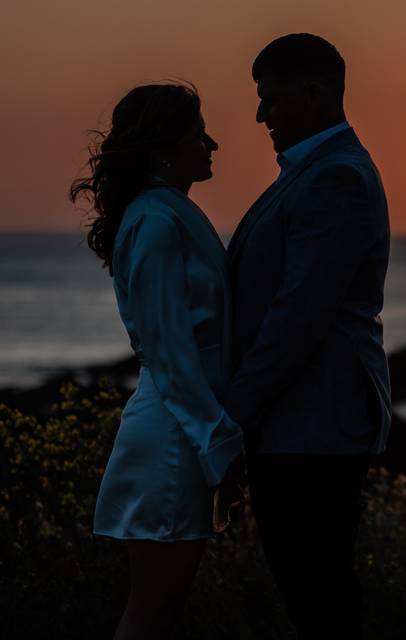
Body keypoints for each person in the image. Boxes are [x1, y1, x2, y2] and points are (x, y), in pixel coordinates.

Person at [225, 33, 392, 639]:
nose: (260, 115)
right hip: (300, 423)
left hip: (315, 425)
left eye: (270, 99)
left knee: (319, 598)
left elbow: (300, 315)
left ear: (315, 96)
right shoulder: (309, 173)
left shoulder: (335, 179)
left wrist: (232, 416)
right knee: (311, 595)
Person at [71, 83, 244, 640]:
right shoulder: (155, 221)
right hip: (174, 437)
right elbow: (171, 352)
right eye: (199, 134)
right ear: (164, 149)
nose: (212, 144)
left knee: (165, 614)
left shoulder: (170, 212)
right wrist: (220, 442)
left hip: (185, 430)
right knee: (151, 613)